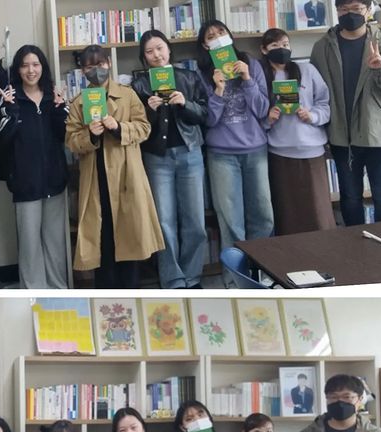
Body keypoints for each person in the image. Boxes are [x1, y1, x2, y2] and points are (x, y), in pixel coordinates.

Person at [65, 44, 165, 288]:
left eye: (100, 64)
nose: (96, 70)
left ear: (109, 64)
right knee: (102, 240)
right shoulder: (79, 103)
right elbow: (71, 141)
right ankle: (106, 296)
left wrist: (118, 127)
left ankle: (130, 292)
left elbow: (144, 128)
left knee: (130, 236)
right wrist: (90, 134)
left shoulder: (127, 95)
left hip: (126, 176)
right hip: (96, 179)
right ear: (82, 71)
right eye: (89, 67)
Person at [310, 0, 381, 225]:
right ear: (336, 11)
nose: (350, 14)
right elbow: (314, 90)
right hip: (342, 137)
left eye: (356, 9)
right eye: (344, 9)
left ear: (368, 10)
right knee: (350, 198)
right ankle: (353, 246)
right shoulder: (322, 47)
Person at [132, 30, 208, 289]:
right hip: (157, 158)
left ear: (168, 49)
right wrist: (149, 110)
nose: (156, 55)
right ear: (144, 57)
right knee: (164, 222)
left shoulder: (188, 77)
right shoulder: (139, 85)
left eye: (160, 48)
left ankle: (192, 276)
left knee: (195, 220)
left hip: (190, 153)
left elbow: (205, 114)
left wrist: (185, 103)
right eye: (149, 51)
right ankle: (173, 279)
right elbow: (137, 126)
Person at [0, 45, 70, 289]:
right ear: (18, 69)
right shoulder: (10, 99)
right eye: (25, 65)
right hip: (25, 183)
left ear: (42, 67)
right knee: (29, 244)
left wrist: (59, 110)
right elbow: (1, 140)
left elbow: (65, 136)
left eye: (35, 64)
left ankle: (58, 290)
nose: (31, 70)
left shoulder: (53, 97)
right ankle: (33, 292)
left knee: (55, 242)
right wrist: (11, 110)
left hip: (54, 181)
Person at [196, 20, 274, 253]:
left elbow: (263, 110)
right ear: (205, 45)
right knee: (231, 222)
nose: (218, 38)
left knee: (263, 216)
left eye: (221, 32)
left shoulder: (251, 63)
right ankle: (235, 273)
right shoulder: (201, 74)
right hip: (222, 155)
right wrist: (218, 90)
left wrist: (247, 79)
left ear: (230, 36)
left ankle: (261, 268)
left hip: (255, 150)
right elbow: (208, 120)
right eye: (211, 36)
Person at [260, 28, 334, 235]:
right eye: (275, 45)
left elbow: (324, 103)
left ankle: (324, 252)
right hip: (280, 154)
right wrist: (268, 120)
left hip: (312, 151)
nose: (282, 49)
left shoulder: (307, 69)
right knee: (288, 214)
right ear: (264, 50)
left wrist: (312, 116)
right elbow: (254, 113)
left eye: (285, 44)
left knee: (318, 213)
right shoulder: (261, 75)